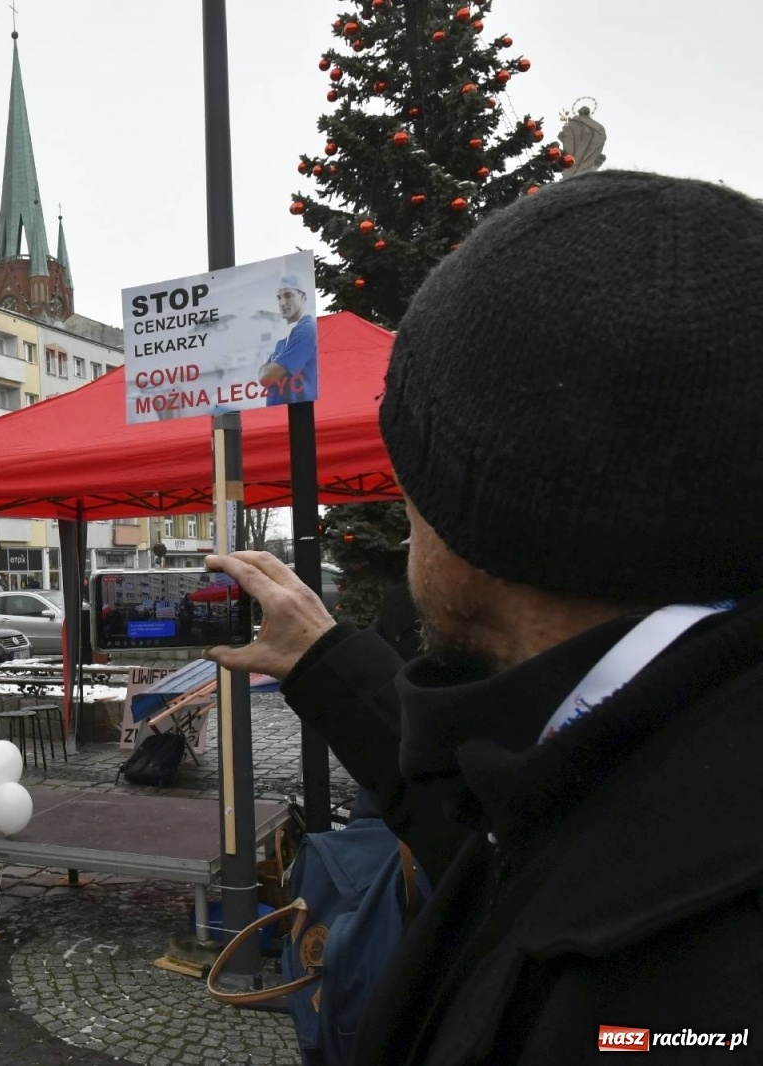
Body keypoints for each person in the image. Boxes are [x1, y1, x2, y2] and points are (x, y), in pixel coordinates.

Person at [207, 172, 763, 1063]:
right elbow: (506, 836)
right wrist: (322, 660)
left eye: (412, 485)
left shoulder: (671, 995)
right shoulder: (663, 755)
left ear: (481, 519)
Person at [257, 273, 317, 406]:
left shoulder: (307, 330)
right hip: (279, 417)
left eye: (288, 295)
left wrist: (268, 370)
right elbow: (262, 374)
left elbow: (265, 377)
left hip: (298, 414)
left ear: (303, 296)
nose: (282, 303)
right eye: (279, 297)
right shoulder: (286, 337)